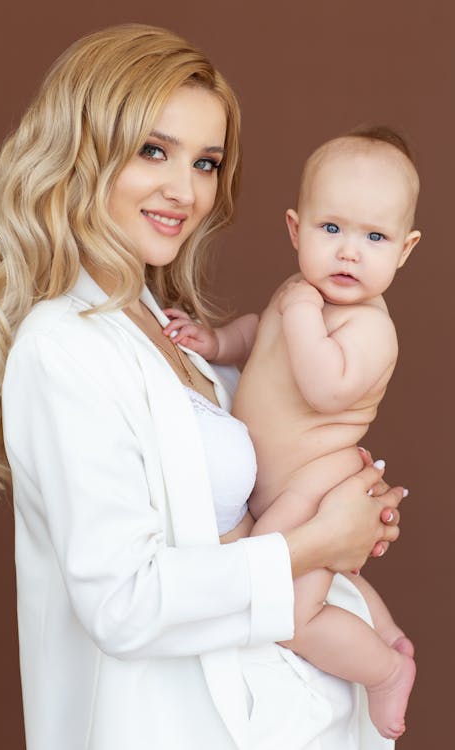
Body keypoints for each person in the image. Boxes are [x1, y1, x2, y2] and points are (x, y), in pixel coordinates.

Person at [0, 24, 406, 750]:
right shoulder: (60, 345)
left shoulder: (162, 326)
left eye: (206, 162)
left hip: (296, 718)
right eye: (153, 151)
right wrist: (317, 539)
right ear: (84, 150)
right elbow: (124, 604)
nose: (185, 190)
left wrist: (353, 517)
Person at [164, 129, 420, 740]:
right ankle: (388, 635)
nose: (349, 253)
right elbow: (261, 335)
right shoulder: (298, 293)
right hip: (283, 484)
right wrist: (219, 342)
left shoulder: (368, 327)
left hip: (319, 480)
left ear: (405, 251)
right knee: (332, 573)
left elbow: (325, 388)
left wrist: (300, 313)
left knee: (285, 609)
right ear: (294, 229)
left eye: (374, 237)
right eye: (331, 229)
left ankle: (383, 670)